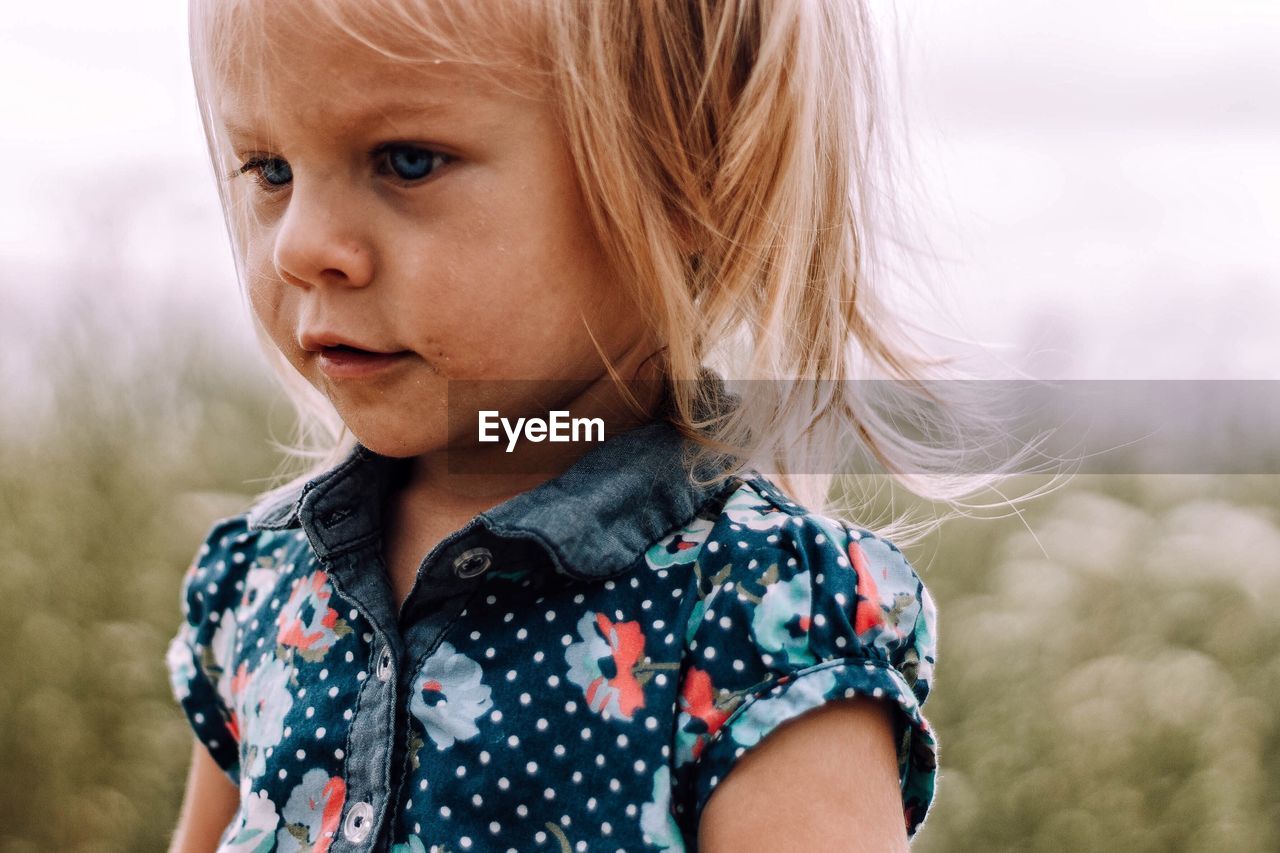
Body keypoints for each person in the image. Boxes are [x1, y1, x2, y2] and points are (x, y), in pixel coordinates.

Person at [165, 0, 1009, 849]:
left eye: (407, 161)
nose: (299, 246)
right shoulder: (261, 585)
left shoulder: (756, 622)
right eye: (270, 170)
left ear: (685, 174)